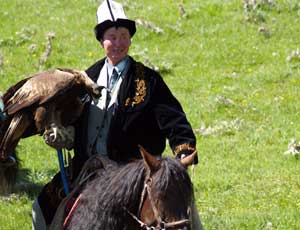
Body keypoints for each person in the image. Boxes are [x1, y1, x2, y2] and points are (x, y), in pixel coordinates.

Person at [32, 0, 200, 229]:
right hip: (87, 169)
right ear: (102, 41)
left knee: (181, 213)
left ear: (130, 39)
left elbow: (175, 120)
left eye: (123, 36)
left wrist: (184, 152)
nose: (118, 43)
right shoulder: (86, 78)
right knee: (40, 209)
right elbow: (72, 118)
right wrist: (64, 133)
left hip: (130, 172)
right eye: (112, 36)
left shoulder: (148, 80)